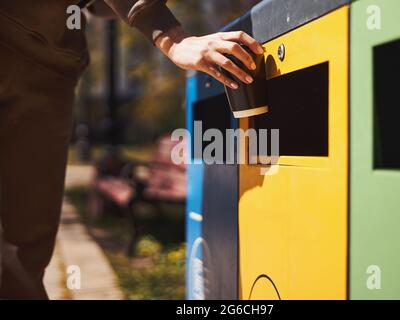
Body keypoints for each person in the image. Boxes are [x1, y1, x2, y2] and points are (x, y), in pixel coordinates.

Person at [0, 0, 263, 299]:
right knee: (24, 254)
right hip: (43, 63)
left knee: (23, 255)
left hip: (44, 68)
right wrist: (173, 38)